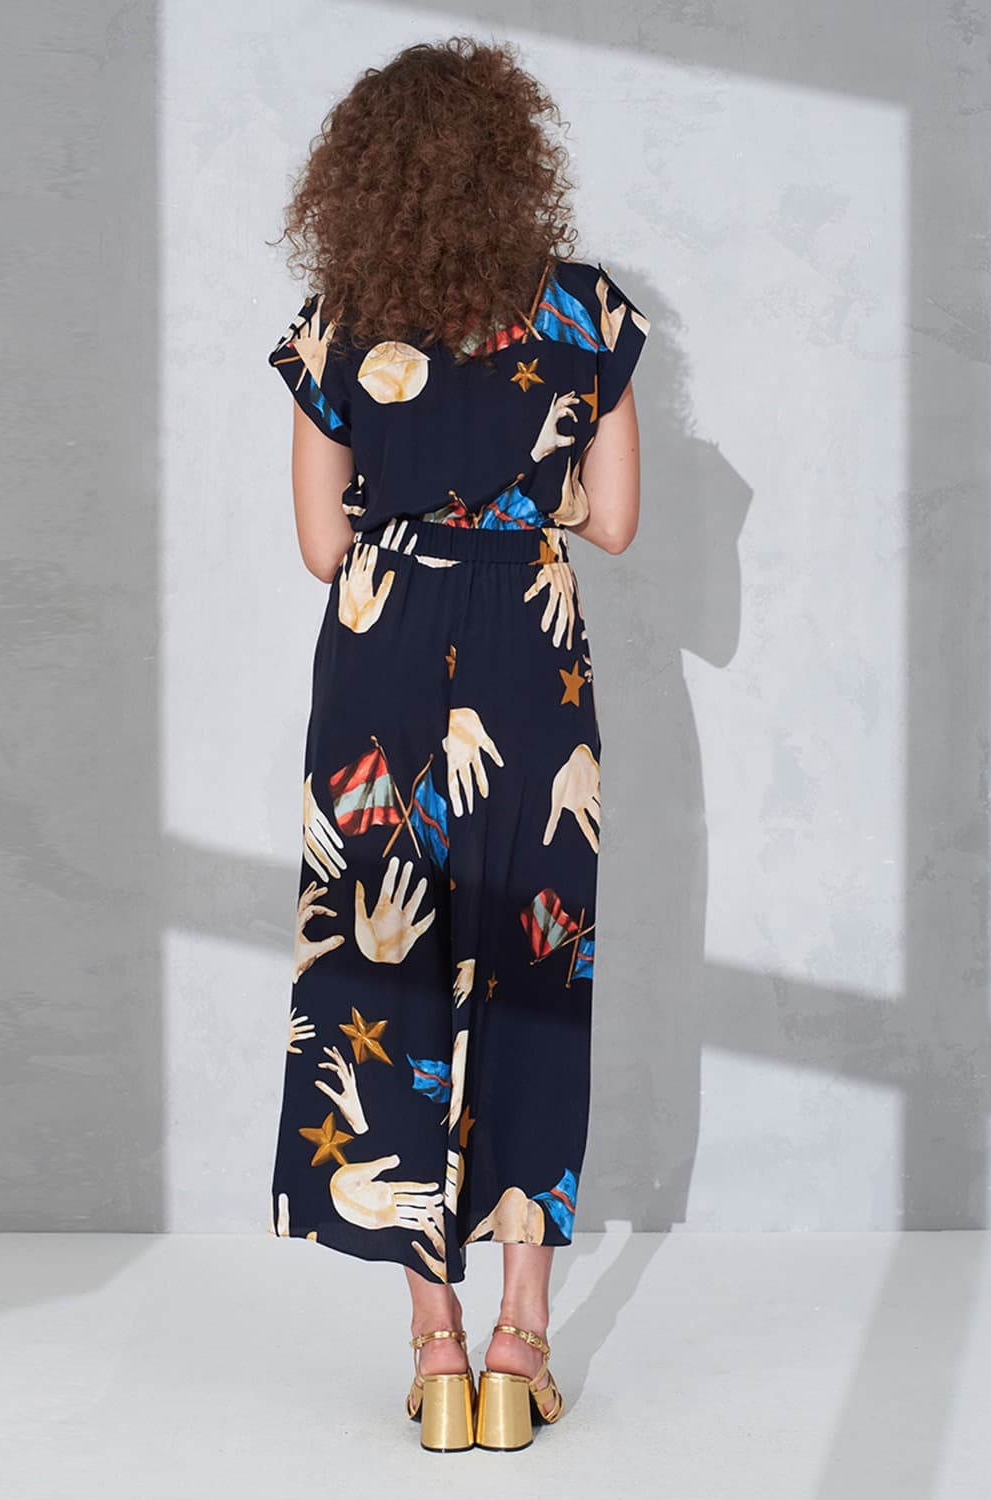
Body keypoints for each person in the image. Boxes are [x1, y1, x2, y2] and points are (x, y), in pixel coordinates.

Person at [263, 36, 648, 1452]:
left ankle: (433, 1350)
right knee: (536, 968)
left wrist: (412, 502)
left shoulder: (337, 327)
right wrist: (523, 497)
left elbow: (323, 548)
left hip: (381, 663)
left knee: (392, 969)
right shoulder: (585, 311)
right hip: (532, 667)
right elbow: (616, 525)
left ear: (358, 179)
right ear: (515, 161)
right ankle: (519, 1341)